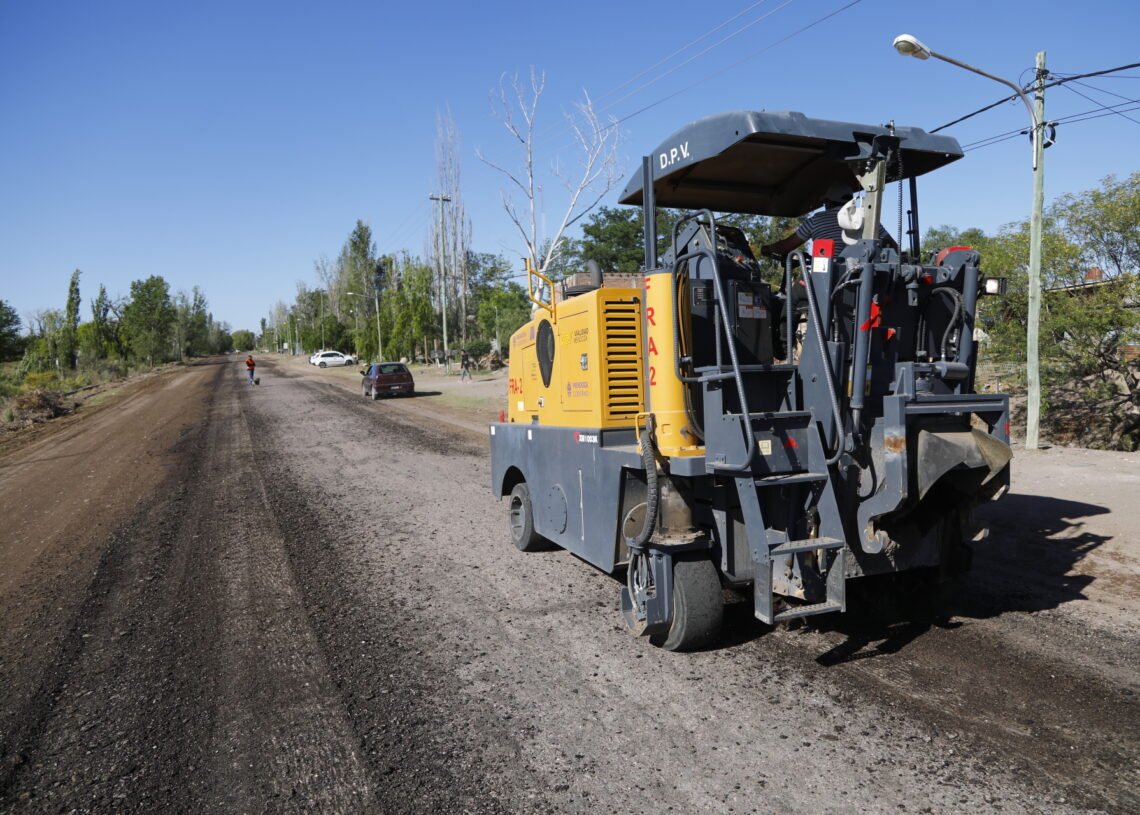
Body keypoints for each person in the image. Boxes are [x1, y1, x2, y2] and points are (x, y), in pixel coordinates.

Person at [761, 182, 897, 259]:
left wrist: (769, 248)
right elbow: (892, 245)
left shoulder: (817, 220)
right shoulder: (867, 219)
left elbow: (786, 247)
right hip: (861, 282)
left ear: (829, 202)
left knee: (795, 292)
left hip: (827, 281)